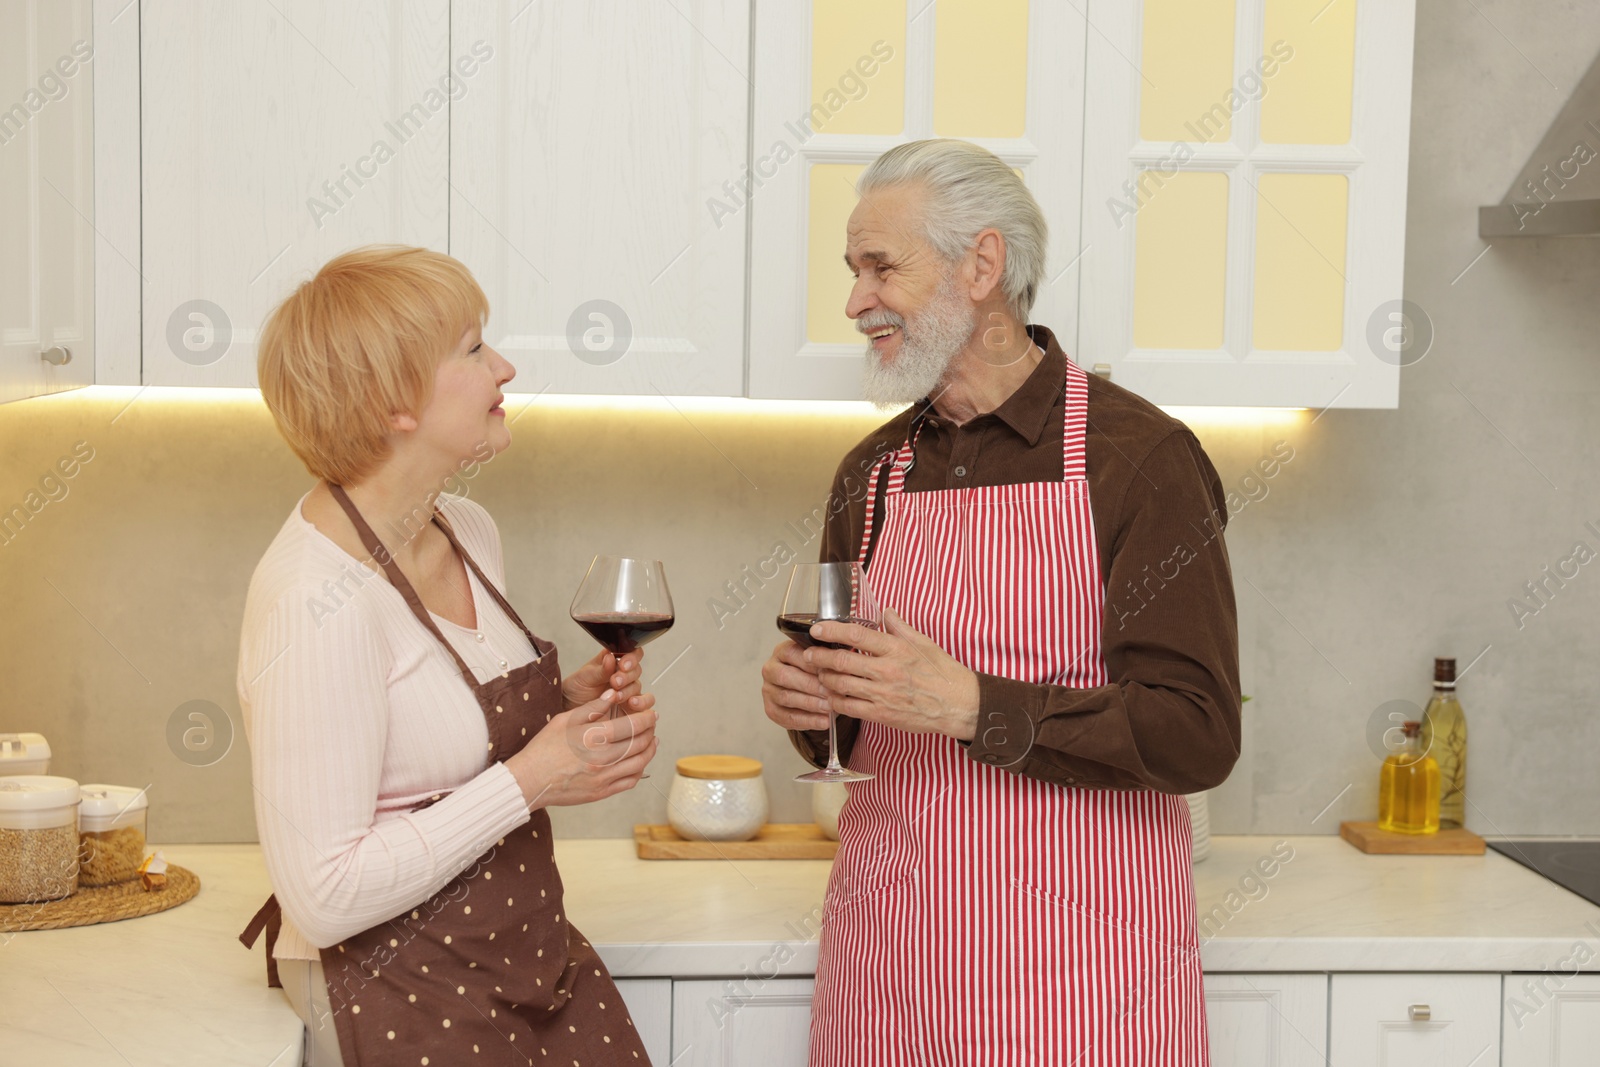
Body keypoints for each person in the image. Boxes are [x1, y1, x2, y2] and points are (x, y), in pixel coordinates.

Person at [760, 139, 1242, 1065]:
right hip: (890, 968)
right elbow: (855, 730)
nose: (855, 301)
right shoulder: (871, 473)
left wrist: (975, 705)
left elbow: (1197, 731)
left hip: (1080, 976)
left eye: (879, 267)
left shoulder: (1138, 459)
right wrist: (811, 706)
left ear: (982, 265)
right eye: (853, 271)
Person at [236, 245, 658, 1066]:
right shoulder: (313, 600)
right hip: (397, 983)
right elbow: (320, 896)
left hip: (527, 953)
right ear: (393, 401)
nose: (503, 366)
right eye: (472, 349)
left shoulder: (466, 530)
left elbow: (446, 737)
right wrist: (538, 773)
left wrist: (570, 709)